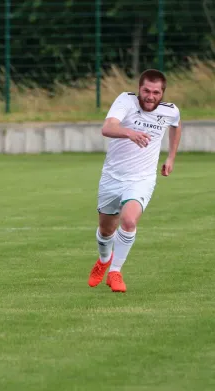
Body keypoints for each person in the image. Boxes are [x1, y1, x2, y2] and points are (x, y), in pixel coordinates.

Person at [88, 69, 182, 293]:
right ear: (139, 89)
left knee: (129, 221)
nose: (150, 96)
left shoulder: (170, 111)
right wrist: (130, 133)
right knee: (106, 230)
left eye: (156, 92)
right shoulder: (126, 101)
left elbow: (176, 127)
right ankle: (103, 261)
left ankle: (115, 272)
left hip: (141, 178)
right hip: (112, 177)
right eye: (146, 90)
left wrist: (171, 157)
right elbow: (107, 128)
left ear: (162, 94)